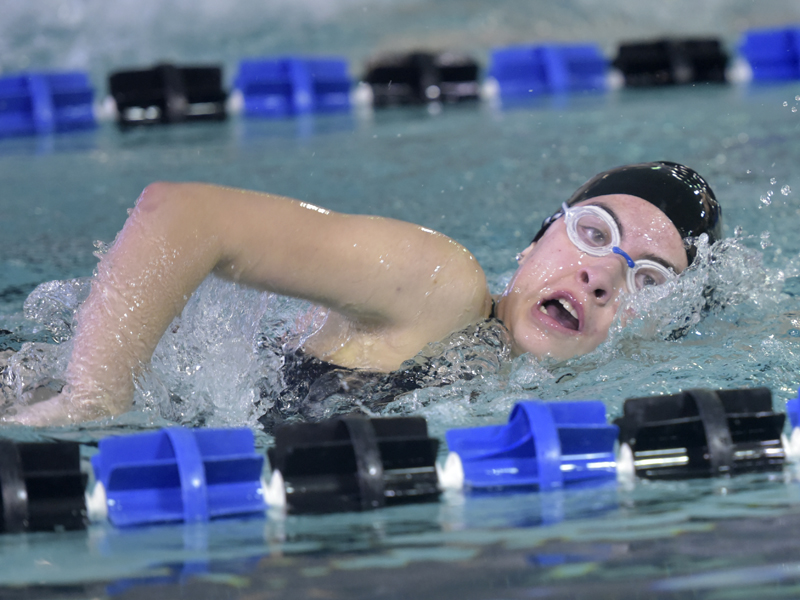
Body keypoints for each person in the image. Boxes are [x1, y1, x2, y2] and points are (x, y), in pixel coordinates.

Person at [3, 160, 722, 428]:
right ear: (536, 243)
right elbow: (180, 213)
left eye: (648, 281)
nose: (604, 275)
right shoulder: (442, 287)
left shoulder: (524, 382)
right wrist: (94, 398)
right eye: (595, 233)